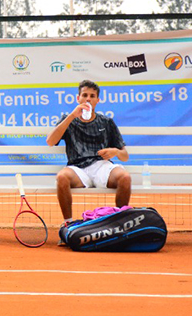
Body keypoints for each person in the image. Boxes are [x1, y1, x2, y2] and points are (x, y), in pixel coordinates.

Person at [46, 80, 131, 229]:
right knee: (61, 178)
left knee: (125, 178)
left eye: (92, 96)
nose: (88, 99)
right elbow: (50, 141)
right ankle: (68, 224)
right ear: (78, 98)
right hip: (77, 168)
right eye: (84, 95)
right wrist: (72, 116)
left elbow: (125, 155)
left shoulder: (106, 122)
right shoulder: (68, 119)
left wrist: (115, 151)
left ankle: (119, 225)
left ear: (97, 100)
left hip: (102, 166)